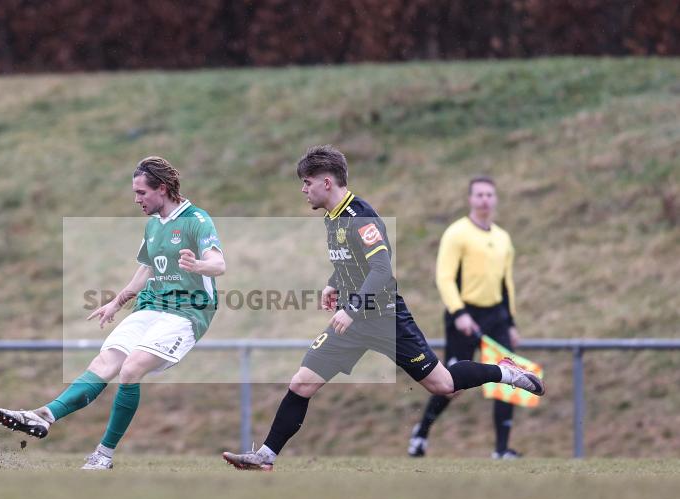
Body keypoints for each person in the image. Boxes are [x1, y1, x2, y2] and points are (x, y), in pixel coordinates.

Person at [222, 145, 543, 471]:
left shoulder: (360, 217)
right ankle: (265, 456)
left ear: (327, 183)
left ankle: (505, 371)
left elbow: (381, 269)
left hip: (386, 318)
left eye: (307, 182)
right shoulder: (333, 217)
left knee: (443, 385)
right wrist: (335, 282)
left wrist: (351, 308)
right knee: (302, 383)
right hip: (354, 322)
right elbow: (355, 262)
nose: (304, 190)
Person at [0, 156, 225, 470]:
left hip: (187, 312)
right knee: (105, 363)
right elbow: (144, 272)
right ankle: (45, 416)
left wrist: (198, 265)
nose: (136, 199)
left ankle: (103, 454)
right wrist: (116, 303)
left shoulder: (197, 220)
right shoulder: (153, 225)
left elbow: (219, 264)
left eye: (142, 192)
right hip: (151, 306)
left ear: (163, 188)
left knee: (130, 369)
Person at [409, 176, 523, 459]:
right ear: (470, 199)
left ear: (495, 199)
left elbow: (506, 283)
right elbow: (444, 277)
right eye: (479, 195)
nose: (484, 199)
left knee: (508, 374)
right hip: (464, 315)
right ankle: (421, 433)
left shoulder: (503, 238)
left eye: (489, 195)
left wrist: (510, 322)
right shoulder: (457, 233)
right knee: (450, 383)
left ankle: (501, 449)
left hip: (495, 316)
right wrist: (458, 312)